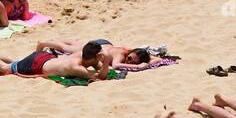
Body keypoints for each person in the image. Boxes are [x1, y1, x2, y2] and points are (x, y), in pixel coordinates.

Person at [0, 40, 110, 80]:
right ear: (94, 57)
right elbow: (100, 76)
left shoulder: (82, 54)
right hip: (38, 64)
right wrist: (107, 59)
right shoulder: (76, 67)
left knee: (16, 62)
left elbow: (97, 66)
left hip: (45, 57)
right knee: (7, 69)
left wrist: (101, 62)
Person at [36, 38, 167, 68]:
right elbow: (116, 65)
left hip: (105, 44)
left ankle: (64, 39)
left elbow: (155, 59)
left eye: (133, 61)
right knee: (66, 49)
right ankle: (42, 43)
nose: (130, 61)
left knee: (75, 46)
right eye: (131, 58)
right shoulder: (121, 55)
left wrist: (148, 61)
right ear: (130, 53)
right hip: (101, 47)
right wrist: (137, 66)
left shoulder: (129, 51)